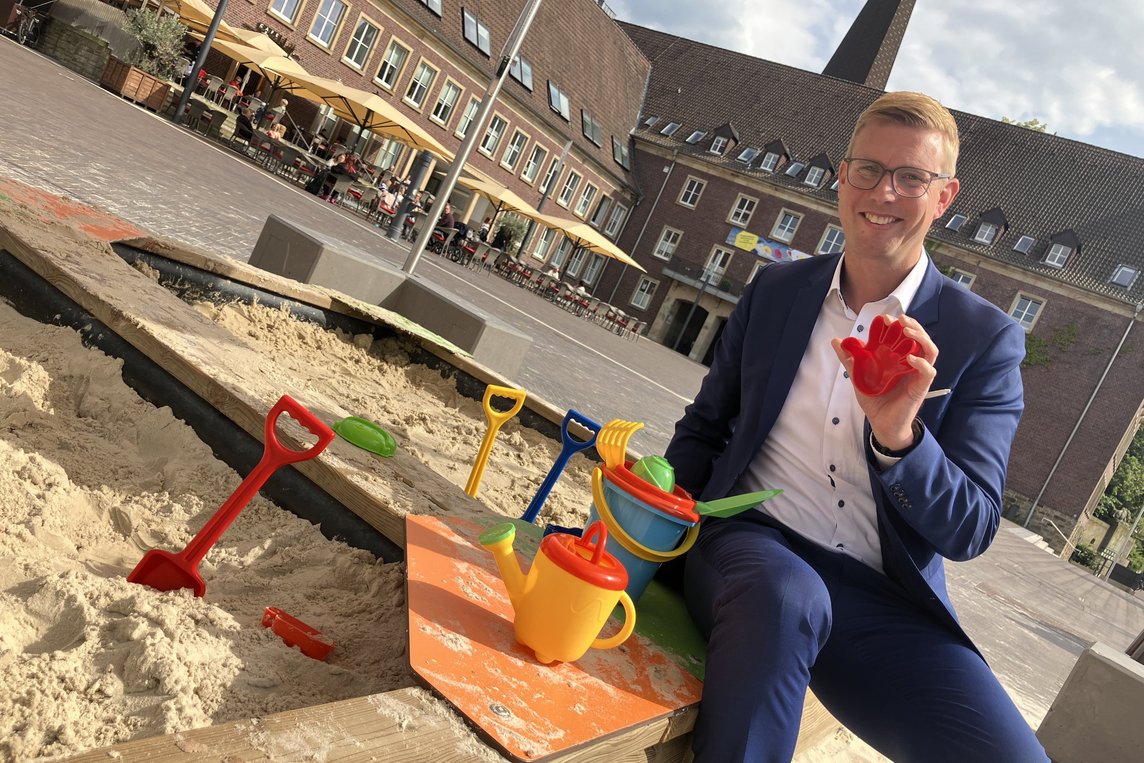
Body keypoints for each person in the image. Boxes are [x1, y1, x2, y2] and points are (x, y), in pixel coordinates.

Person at [663, 91, 1047, 763]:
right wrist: (651, 530)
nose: (884, 192)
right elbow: (704, 427)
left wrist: (900, 439)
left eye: (911, 177)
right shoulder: (776, 292)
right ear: (842, 178)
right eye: (867, 170)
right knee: (788, 597)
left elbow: (972, 528)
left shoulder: (986, 340)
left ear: (944, 196)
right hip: (753, 554)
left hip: (881, 601)